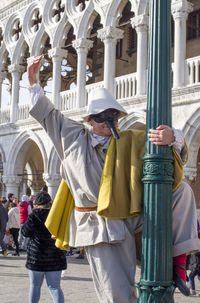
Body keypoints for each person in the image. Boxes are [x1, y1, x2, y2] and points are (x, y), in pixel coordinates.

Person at [27, 56, 200, 302]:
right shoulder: (73, 137)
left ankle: (178, 262)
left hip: (131, 217)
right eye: (102, 117)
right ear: (90, 120)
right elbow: (48, 115)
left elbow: (167, 145)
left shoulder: (129, 139)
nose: (109, 122)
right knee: (117, 295)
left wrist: (172, 136)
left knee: (181, 191)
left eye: (114, 116)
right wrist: (33, 82)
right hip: (99, 227)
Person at [21, 191, 66, 303]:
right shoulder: (57, 215)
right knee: (55, 287)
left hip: (36, 257)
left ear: (36, 204)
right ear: (50, 203)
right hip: (55, 257)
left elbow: (25, 232)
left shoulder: (34, 216)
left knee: (35, 286)